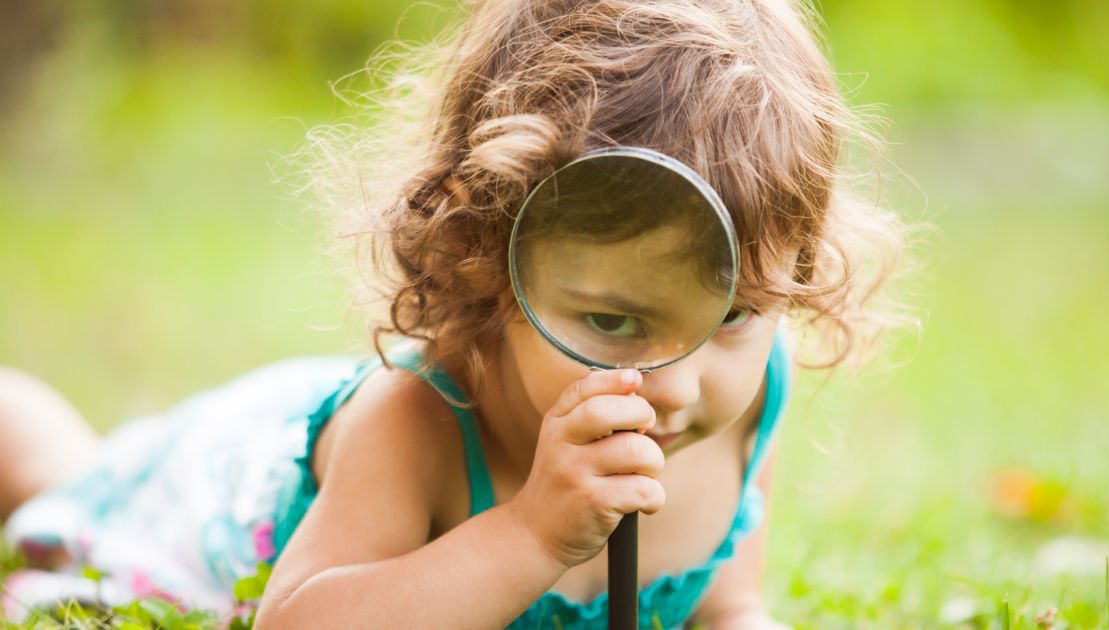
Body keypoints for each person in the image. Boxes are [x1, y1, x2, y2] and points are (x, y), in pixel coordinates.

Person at [0, 0, 910, 627]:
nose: (675, 384)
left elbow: (724, 607)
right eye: (615, 322)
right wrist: (528, 536)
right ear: (485, 265)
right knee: (61, 480)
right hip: (225, 490)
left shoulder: (752, 400)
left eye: (734, 313)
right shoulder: (418, 419)